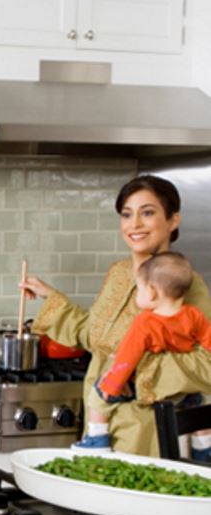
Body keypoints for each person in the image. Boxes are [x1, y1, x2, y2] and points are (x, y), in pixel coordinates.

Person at [21, 175, 211, 458]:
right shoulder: (119, 273)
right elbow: (95, 336)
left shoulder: (184, 285)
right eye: (126, 214)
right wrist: (50, 296)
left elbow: (205, 365)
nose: (134, 224)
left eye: (147, 212)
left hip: (148, 433)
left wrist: (134, 375)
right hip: (99, 426)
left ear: (173, 220)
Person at [74, 252, 211, 458]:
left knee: (97, 395)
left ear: (153, 292)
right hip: (181, 391)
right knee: (199, 404)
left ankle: (96, 440)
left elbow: (127, 359)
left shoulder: (145, 323)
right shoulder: (193, 315)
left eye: (139, 289)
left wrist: (112, 385)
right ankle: (204, 448)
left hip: (143, 385)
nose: (137, 293)